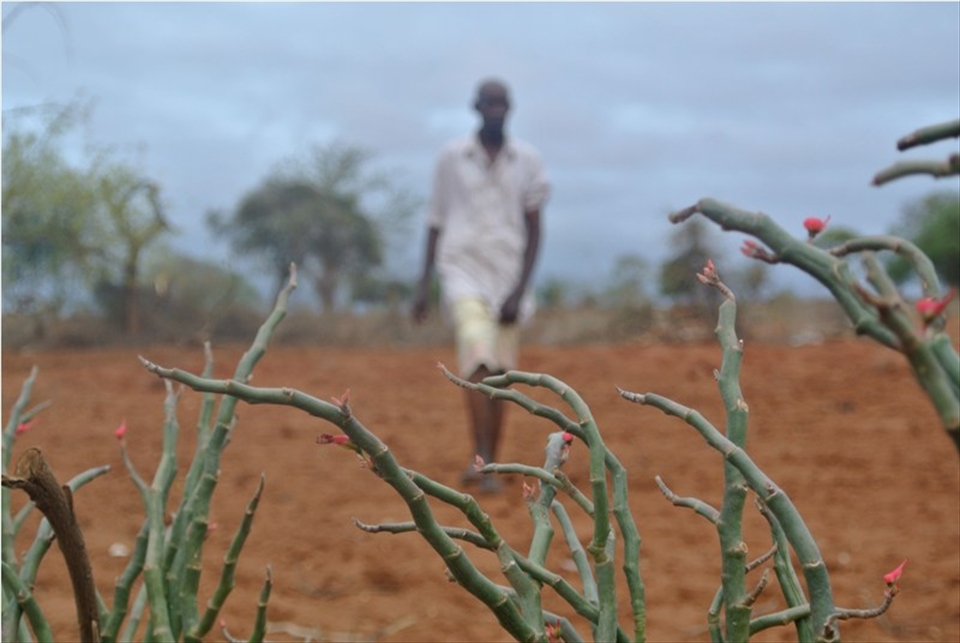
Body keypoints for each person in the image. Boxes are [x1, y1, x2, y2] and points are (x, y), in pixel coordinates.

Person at [412, 78, 550, 493]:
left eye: (501, 103)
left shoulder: (528, 161)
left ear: (510, 107)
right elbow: (435, 221)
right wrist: (423, 286)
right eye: (488, 103)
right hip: (461, 268)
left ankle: (491, 458)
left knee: (502, 372)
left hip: (508, 275)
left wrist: (520, 289)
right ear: (475, 107)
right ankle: (482, 457)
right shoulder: (452, 158)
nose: (495, 109)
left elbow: (535, 231)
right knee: (477, 355)